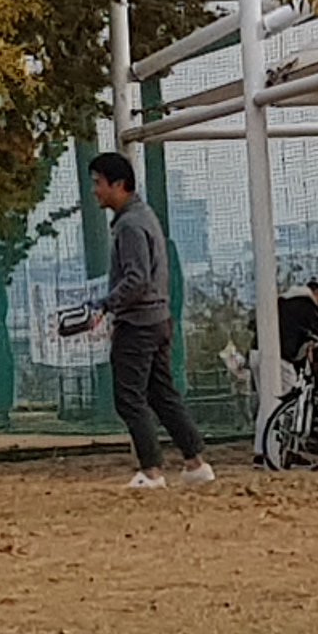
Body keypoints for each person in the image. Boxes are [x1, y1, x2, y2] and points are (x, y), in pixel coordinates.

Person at [88, 152, 211, 489]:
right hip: (159, 320)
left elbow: (137, 279)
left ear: (118, 184)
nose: (95, 190)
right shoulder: (144, 215)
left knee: (129, 397)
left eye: (98, 183)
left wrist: (105, 304)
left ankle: (152, 471)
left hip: (138, 324)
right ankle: (196, 463)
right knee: (162, 394)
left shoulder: (129, 225)